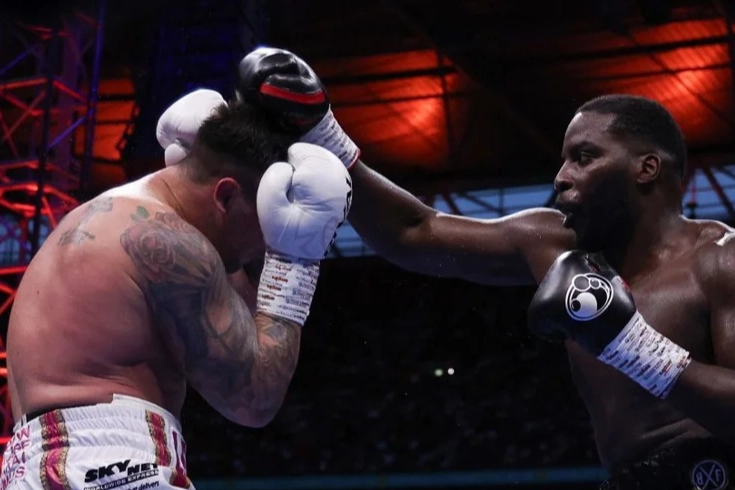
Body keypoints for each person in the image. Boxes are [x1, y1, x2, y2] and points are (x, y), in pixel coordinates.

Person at [234, 47, 735, 489]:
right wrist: (322, 131)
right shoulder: (554, 244)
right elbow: (415, 231)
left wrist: (632, 346)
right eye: (564, 160)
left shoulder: (719, 260)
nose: (561, 177)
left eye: (584, 157)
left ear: (647, 168)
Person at [0, 88, 353, 490]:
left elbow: (238, 310)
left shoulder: (109, 217)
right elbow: (254, 397)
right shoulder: (167, 242)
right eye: (265, 227)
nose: (264, 247)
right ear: (226, 195)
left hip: (35, 469)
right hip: (108, 465)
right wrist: (295, 259)